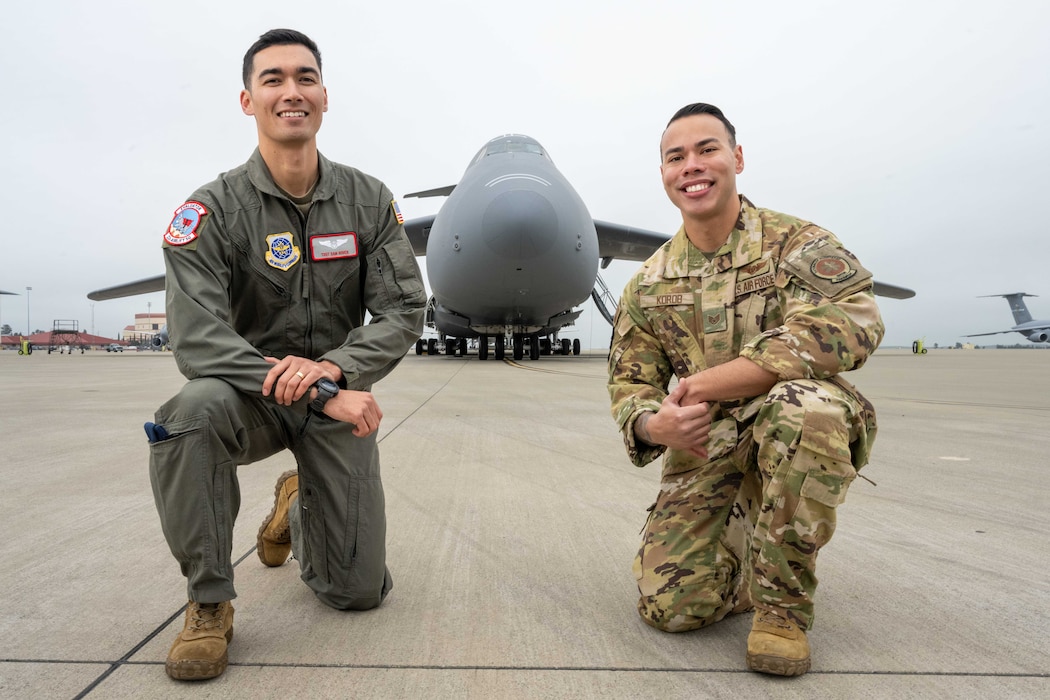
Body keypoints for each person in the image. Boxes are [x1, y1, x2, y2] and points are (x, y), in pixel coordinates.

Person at [146, 28, 426, 681]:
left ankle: (294, 510)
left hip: (333, 393)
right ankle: (210, 602)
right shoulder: (211, 211)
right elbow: (195, 334)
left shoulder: (366, 201)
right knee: (188, 412)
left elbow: (403, 308)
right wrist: (314, 385)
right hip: (250, 397)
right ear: (248, 100)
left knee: (356, 593)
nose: (290, 91)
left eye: (305, 78)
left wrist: (334, 370)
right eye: (272, 79)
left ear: (325, 96)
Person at [607, 103, 884, 677]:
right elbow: (630, 382)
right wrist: (650, 424)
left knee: (802, 408)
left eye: (707, 149)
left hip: (796, 425)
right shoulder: (649, 283)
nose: (692, 166)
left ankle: (782, 610)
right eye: (675, 157)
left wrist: (709, 382)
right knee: (673, 609)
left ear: (736, 158)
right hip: (707, 447)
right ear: (663, 174)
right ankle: (747, 560)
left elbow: (854, 319)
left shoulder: (794, 244)